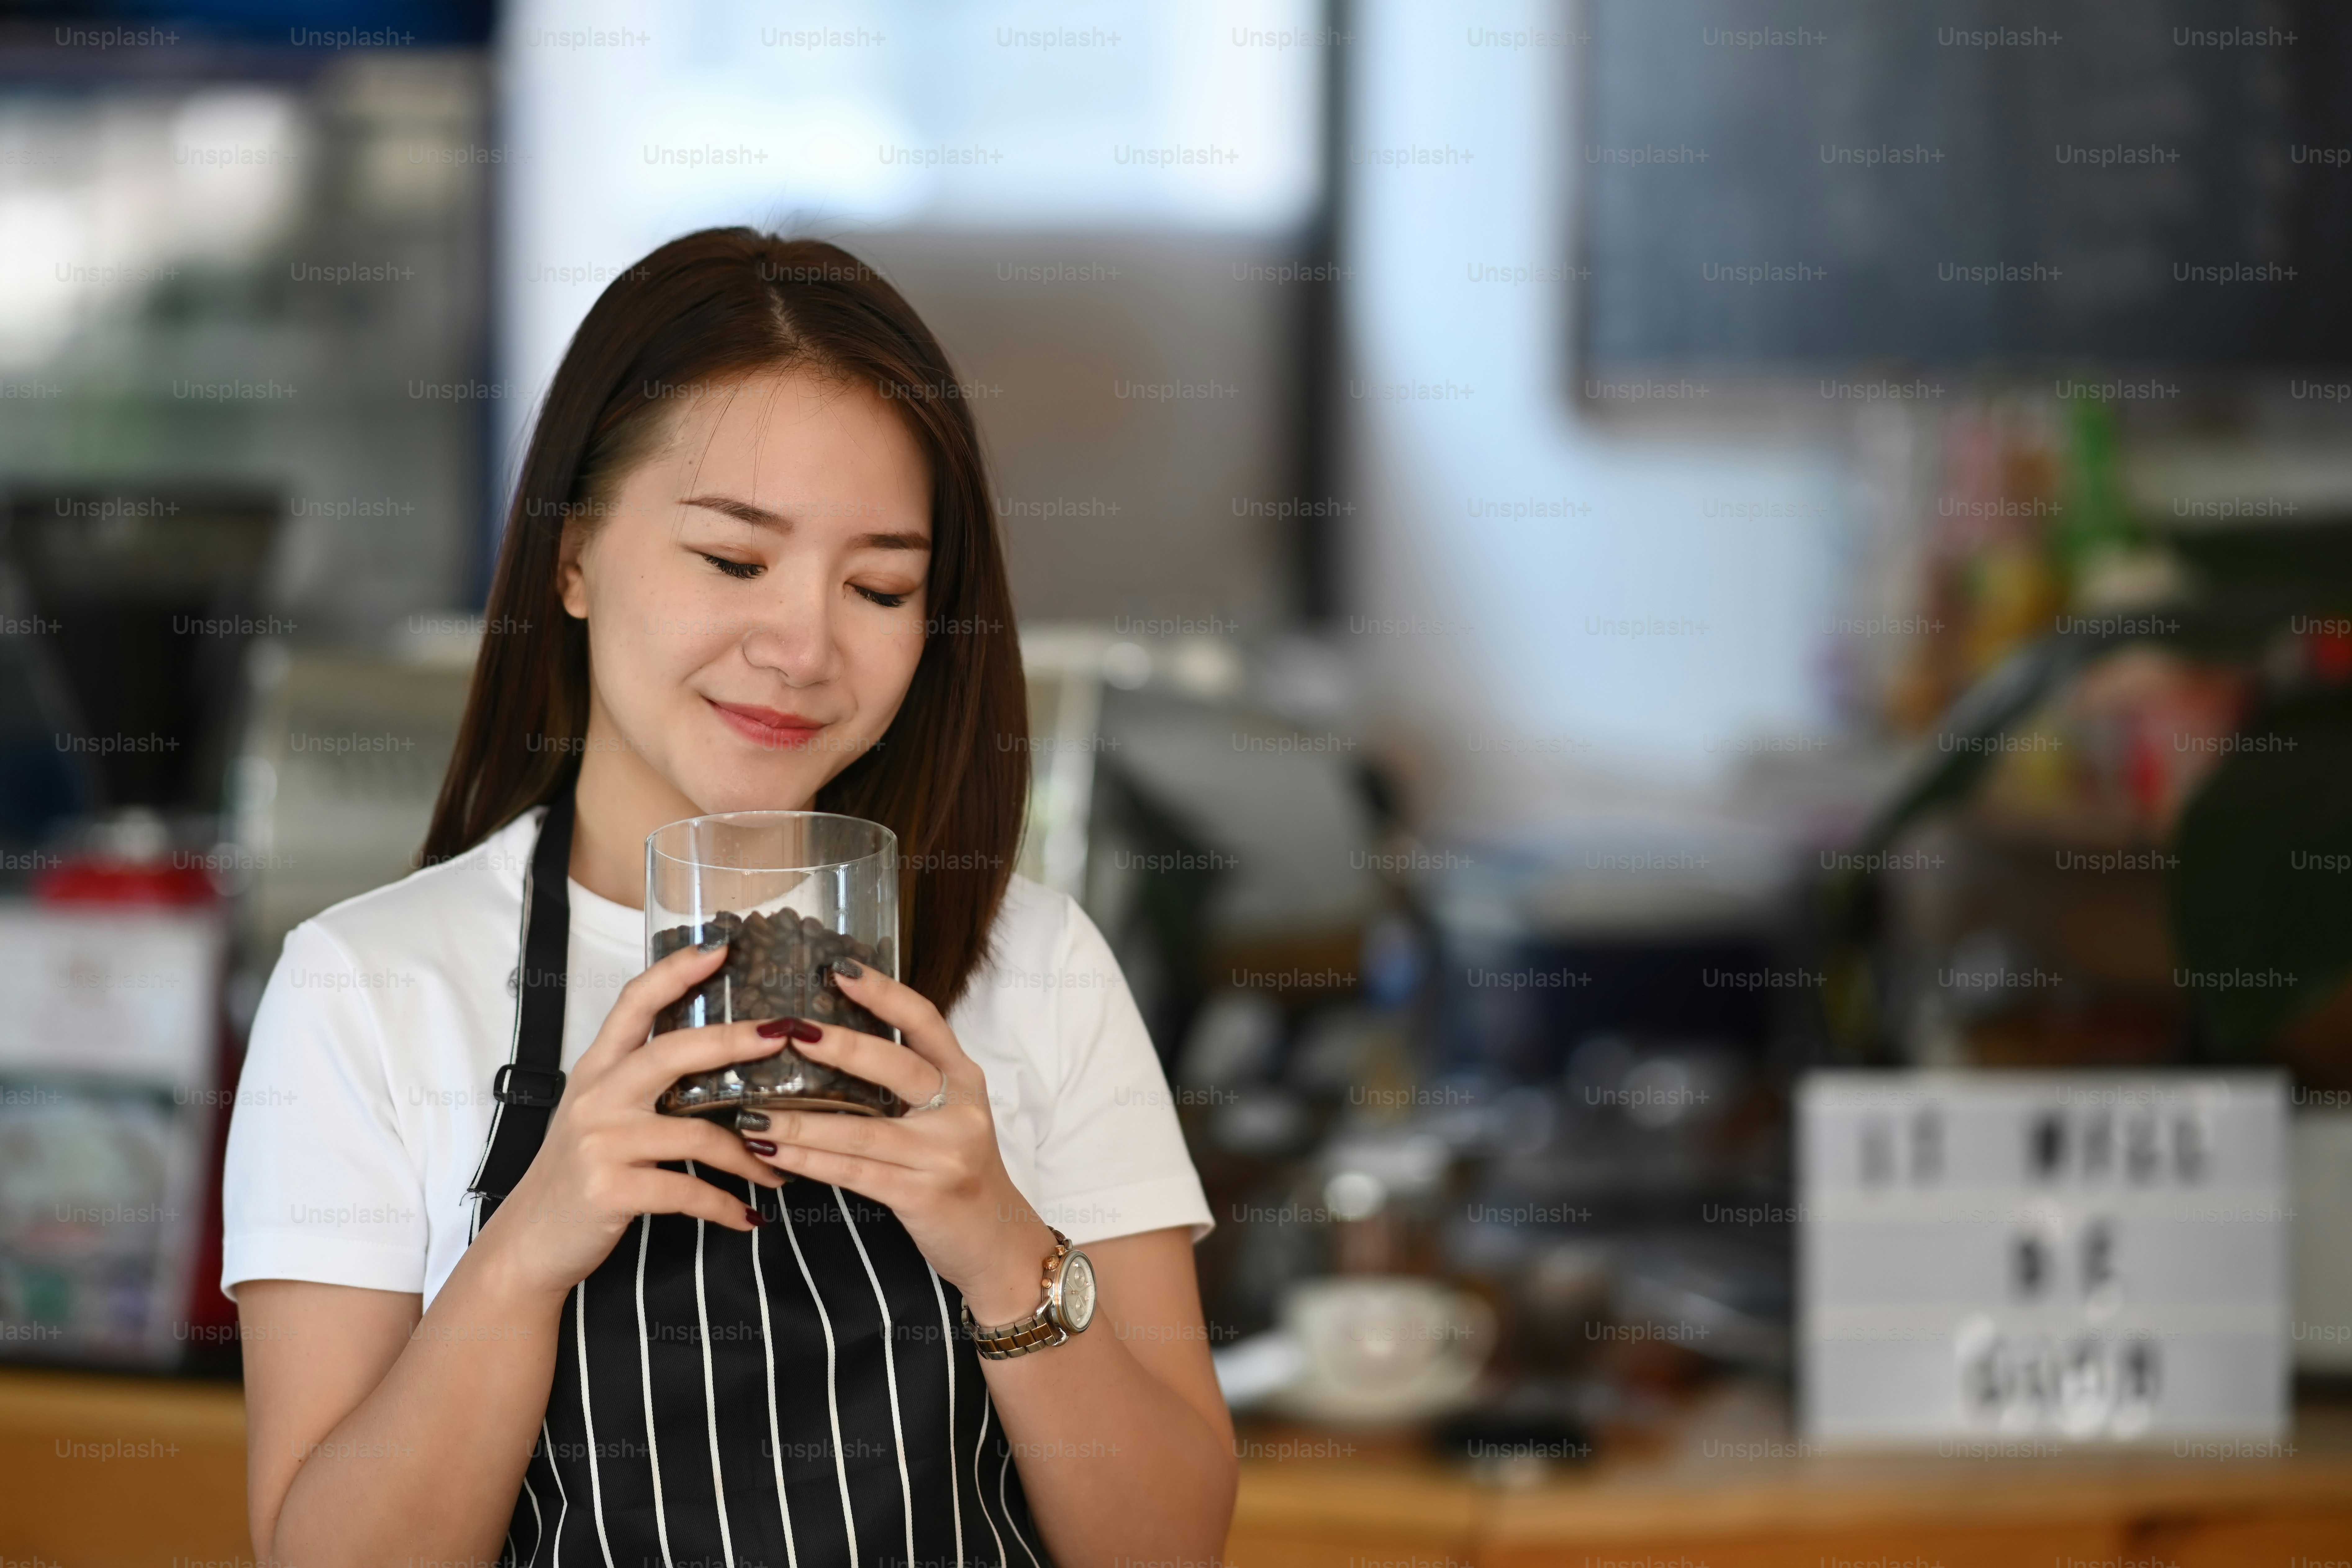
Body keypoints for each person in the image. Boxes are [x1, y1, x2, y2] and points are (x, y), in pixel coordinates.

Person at [220, 228, 1237, 1567]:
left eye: (878, 586)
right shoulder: (369, 987)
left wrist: (999, 1244)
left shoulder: (1035, 966)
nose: (805, 647)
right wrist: (529, 1248)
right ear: (573, 559)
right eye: (734, 561)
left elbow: (1170, 1546)